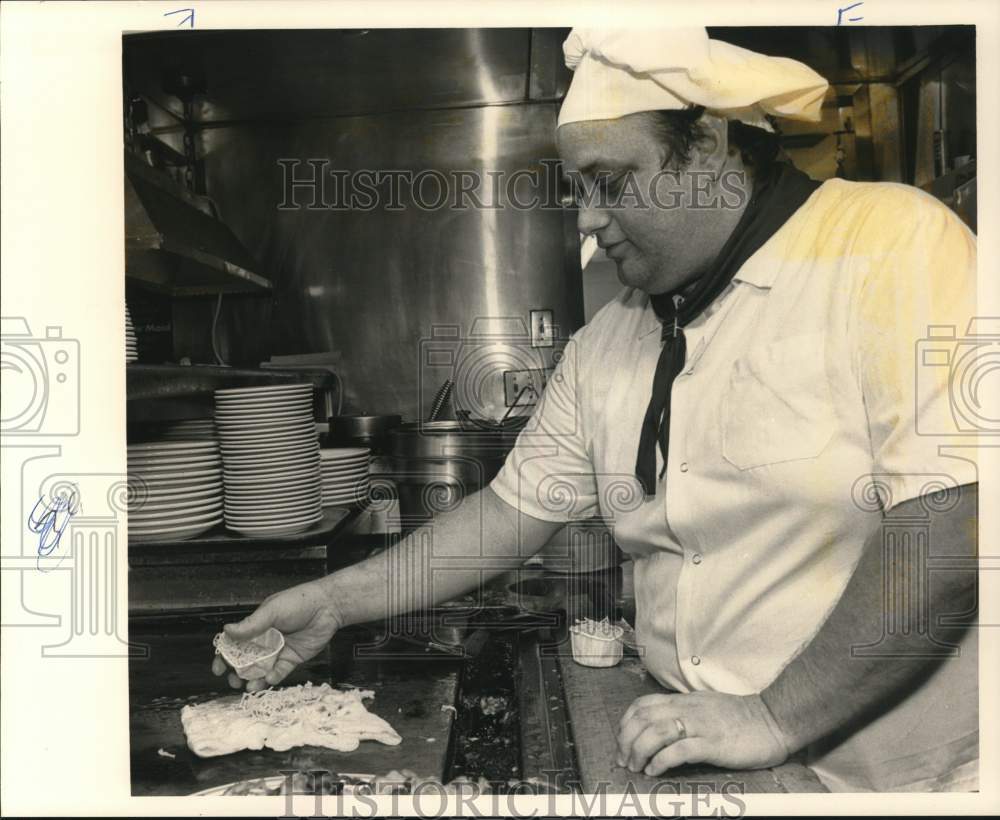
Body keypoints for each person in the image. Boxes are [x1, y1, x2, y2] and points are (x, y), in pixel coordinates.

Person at [213, 28, 979, 792]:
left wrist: (774, 715)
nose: (583, 218)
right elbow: (507, 514)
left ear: (708, 145)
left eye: (610, 183)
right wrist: (332, 602)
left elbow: (953, 513)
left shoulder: (888, 242)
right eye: (576, 189)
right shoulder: (609, 340)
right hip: (698, 757)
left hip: (893, 781)